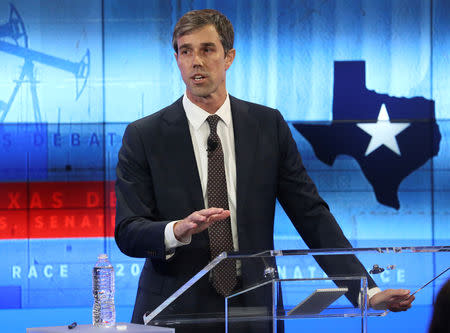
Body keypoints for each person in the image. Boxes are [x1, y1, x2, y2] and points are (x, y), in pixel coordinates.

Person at [114, 9, 414, 332]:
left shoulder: (267, 126)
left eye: (207, 49)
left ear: (229, 57)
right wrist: (176, 231)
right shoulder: (144, 136)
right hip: (174, 311)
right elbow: (128, 230)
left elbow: (311, 215)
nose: (195, 61)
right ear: (177, 59)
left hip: (254, 310)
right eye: (185, 51)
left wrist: (366, 291)